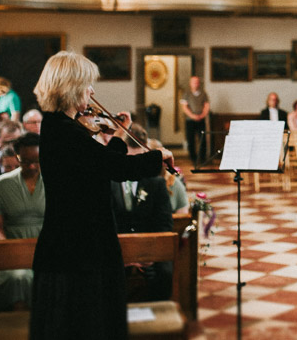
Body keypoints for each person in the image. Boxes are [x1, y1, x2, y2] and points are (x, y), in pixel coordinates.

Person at [29, 50, 173, 340]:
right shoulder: (64, 131)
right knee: (82, 325)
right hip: (75, 249)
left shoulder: (61, 127)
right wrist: (159, 156)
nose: (92, 91)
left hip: (80, 243)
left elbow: (102, 165)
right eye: (87, 84)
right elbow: (117, 167)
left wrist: (120, 135)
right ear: (70, 87)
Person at [110, 124, 174, 301]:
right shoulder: (109, 181)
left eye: (139, 159)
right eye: (129, 159)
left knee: (164, 272)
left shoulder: (156, 183)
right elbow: (107, 220)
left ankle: (158, 316)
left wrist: (147, 254)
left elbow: (164, 224)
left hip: (149, 249)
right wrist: (127, 255)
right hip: (117, 250)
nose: (134, 166)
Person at [0, 133, 45, 311]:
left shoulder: (53, 181)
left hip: (45, 248)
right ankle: (21, 327)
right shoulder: (2, 184)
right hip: (13, 249)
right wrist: (8, 248)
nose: (32, 166)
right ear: (17, 157)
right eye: (26, 161)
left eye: (37, 161)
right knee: (20, 277)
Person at [179, 75, 210, 165]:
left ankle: (203, 158)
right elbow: (184, 107)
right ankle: (193, 158)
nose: (196, 84)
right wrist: (193, 116)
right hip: (190, 120)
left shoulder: (203, 94)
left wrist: (202, 115)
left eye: (197, 82)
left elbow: (206, 105)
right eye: (194, 82)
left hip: (201, 119)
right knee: (190, 140)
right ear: (190, 83)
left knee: (202, 139)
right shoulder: (186, 93)